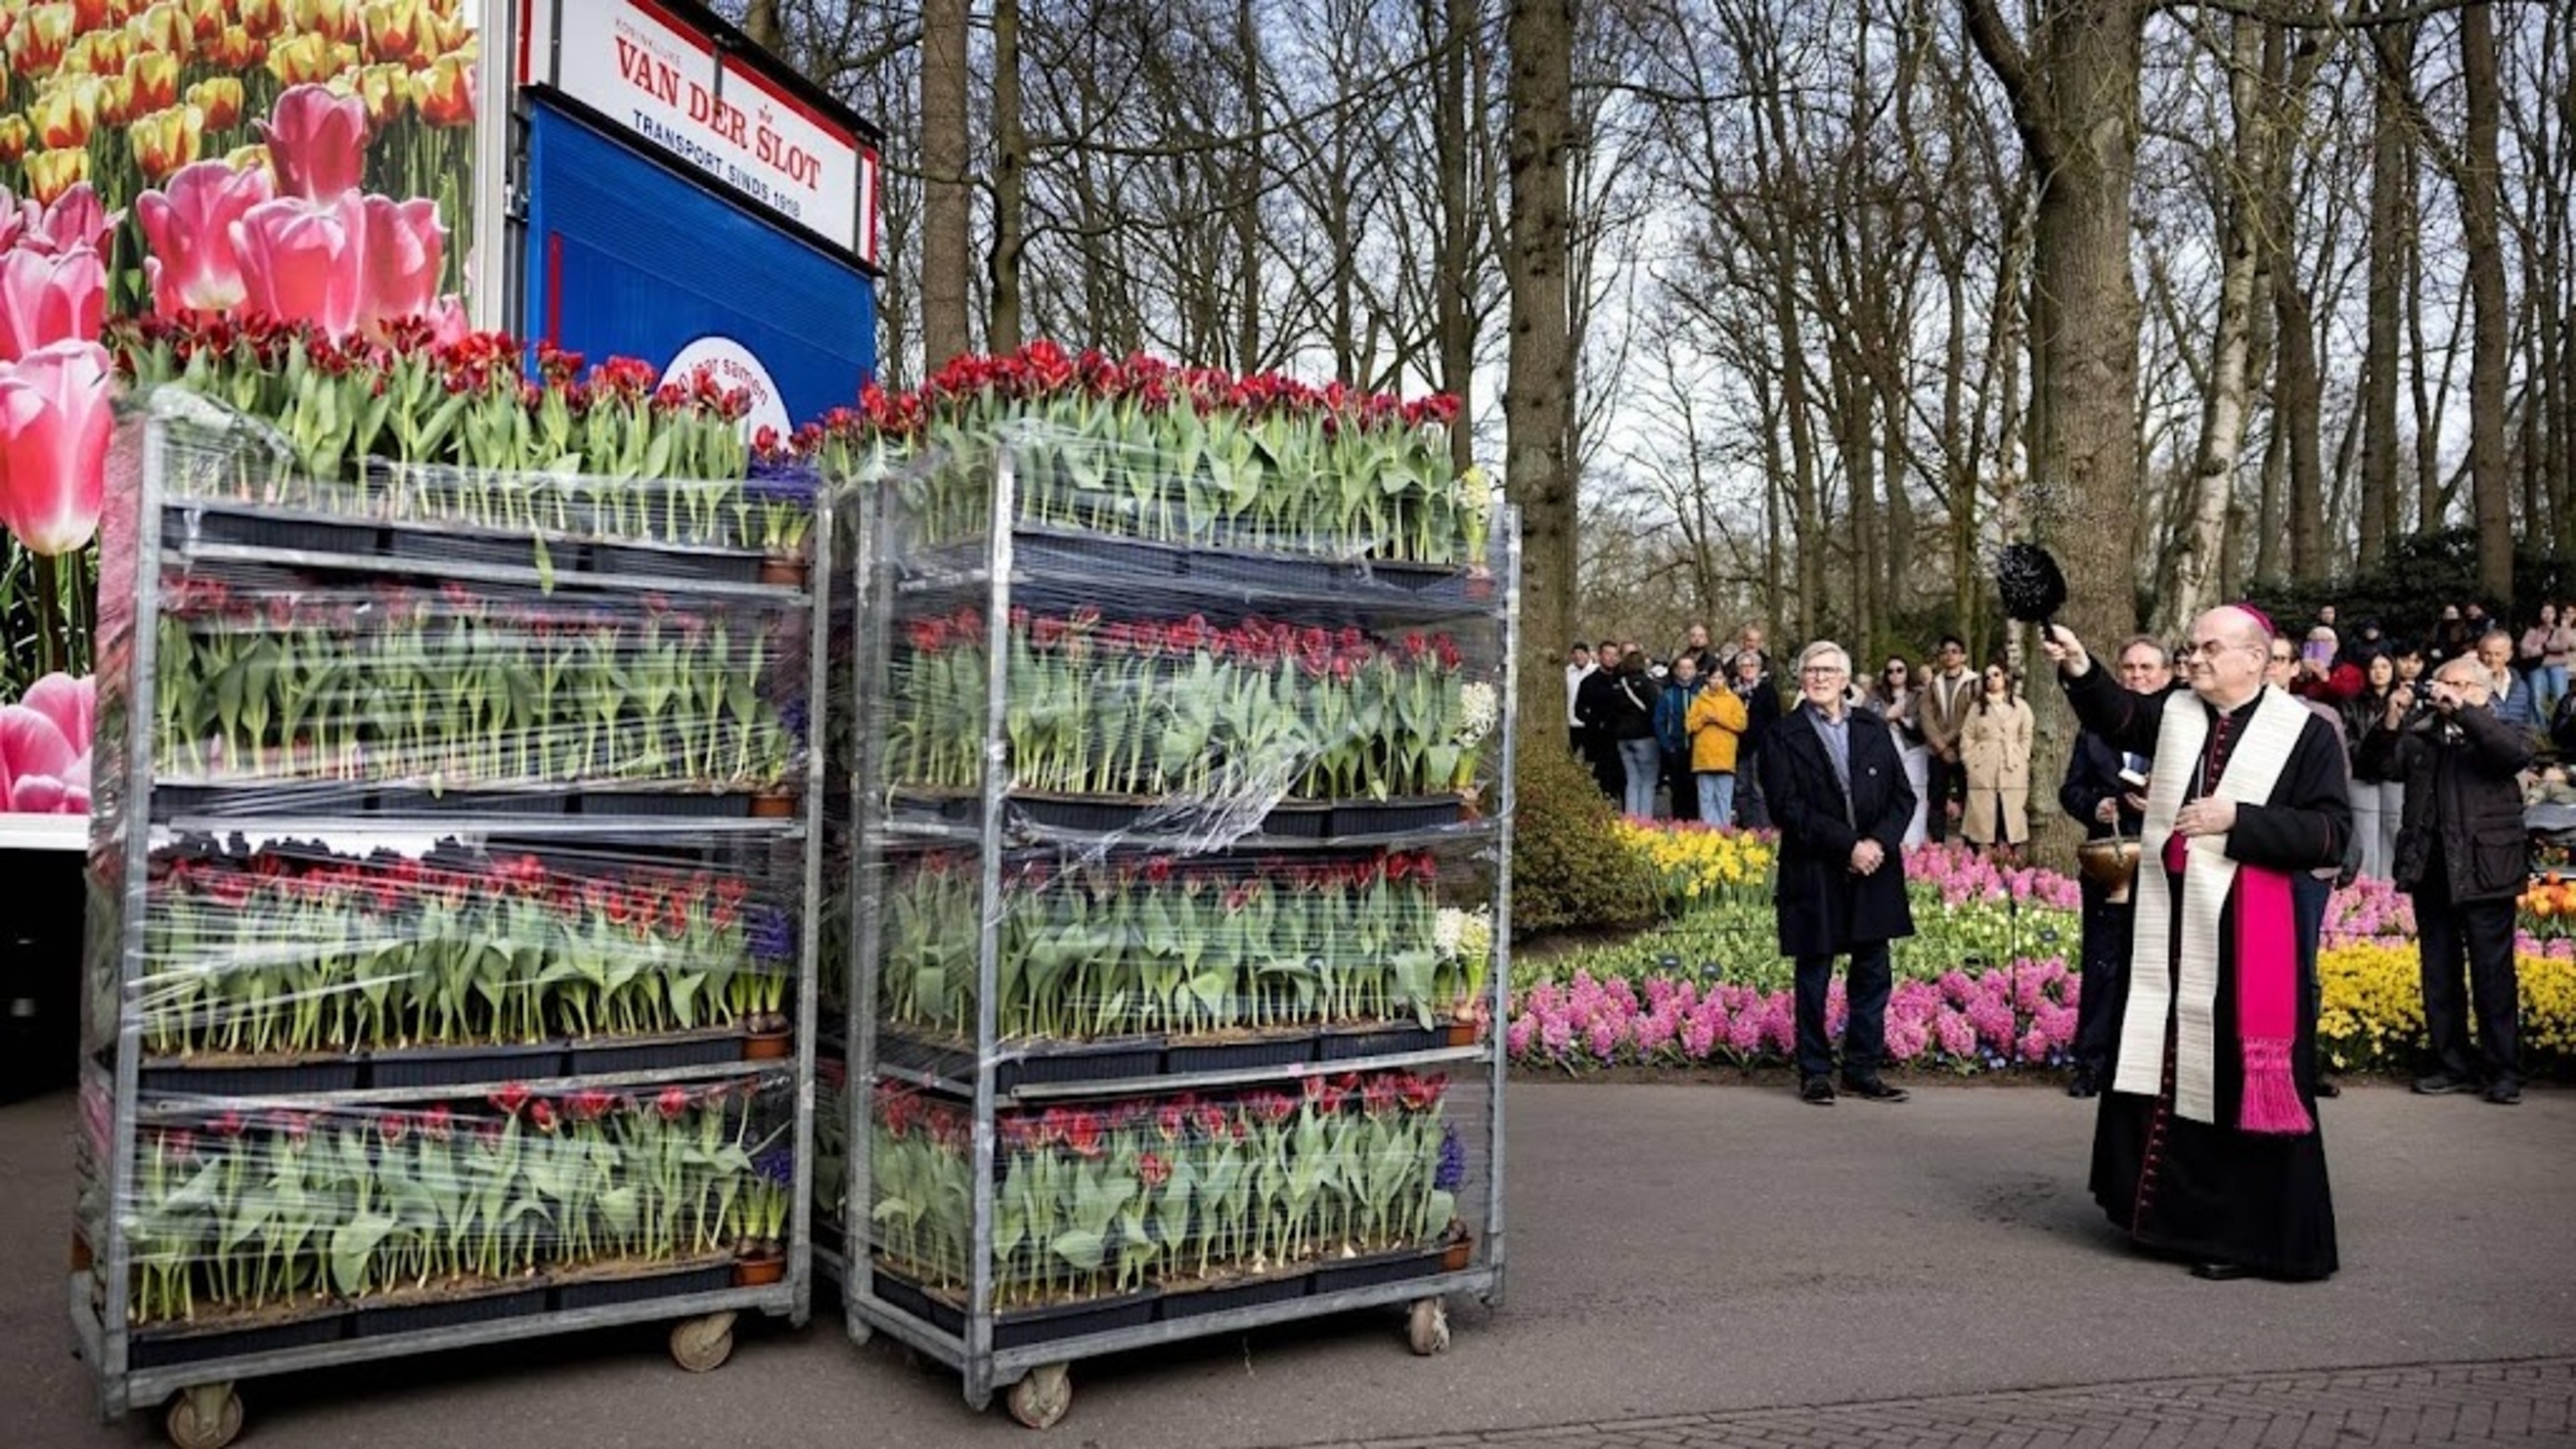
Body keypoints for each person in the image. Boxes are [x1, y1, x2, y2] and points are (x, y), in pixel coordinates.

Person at [2039, 605, 2348, 1283]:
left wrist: (2239, 819)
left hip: (2248, 935)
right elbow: (2121, 716)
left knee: (2229, 1076)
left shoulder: (2305, 733)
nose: (2195, 658)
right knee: (2165, 1065)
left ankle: (2244, 1238)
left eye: (2210, 648)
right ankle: (2167, 1221)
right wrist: (2080, 665)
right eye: (2192, 648)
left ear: (2255, 658)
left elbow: (2331, 835)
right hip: (2172, 924)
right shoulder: (2181, 712)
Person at [2358, 657, 2530, 1106]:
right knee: (2440, 974)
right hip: (2432, 870)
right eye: (2443, 684)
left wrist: (2465, 713)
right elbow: (2375, 765)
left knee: (2493, 975)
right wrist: (2391, 719)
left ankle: (2503, 1070)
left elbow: (2513, 756)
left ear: (2482, 691)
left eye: (2460, 685)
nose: (2447, 692)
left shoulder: (2500, 726)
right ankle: (2451, 1064)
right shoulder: (2422, 735)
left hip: (2486, 869)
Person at [1757, 640, 1916, 1106]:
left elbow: (1903, 797)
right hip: (1815, 866)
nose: (1820, 678)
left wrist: (1876, 845)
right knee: (1814, 975)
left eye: (1829, 671)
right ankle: (1815, 1072)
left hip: (1875, 867)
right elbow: (1786, 807)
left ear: (1845, 679)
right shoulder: (1782, 734)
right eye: (1812, 670)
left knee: (1873, 972)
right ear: (1801, 679)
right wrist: (1849, 846)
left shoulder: (1871, 726)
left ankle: (1862, 1070)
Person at [2059, 635, 2172, 1098]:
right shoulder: (2095, 729)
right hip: (2110, 863)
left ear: (2166, 675)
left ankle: (2149, 1066)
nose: (2137, 676)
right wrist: (2098, 806)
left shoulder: (2182, 728)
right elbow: (2071, 791)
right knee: (2103, 962)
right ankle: (2092, 1063)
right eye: (2129, 668)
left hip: (2166, 866)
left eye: (2147, 668)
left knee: (2157, 966)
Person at [2341, 651, 2409, 881]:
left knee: (2394, 830)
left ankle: (2392, 888)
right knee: (2364, 833)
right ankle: (2365, 887)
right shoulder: (2352, 703)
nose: (2379, 672)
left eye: (2385, 667)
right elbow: (2349, 741)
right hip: (2363, 773)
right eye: (2374, 667)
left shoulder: (2405, 701)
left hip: (2396, 775)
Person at [1960, 661, 2034, 865]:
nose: (1992, 680)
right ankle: (1984, 864)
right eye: (1988, 677)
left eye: (1996, 675)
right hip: (1983, 767)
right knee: (1983, 815)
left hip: (2013, 768)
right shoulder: (1977, 708)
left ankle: (2011, 862)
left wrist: (2022, 756)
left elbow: (2026, 734)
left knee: (2012, 813)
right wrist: (1970, 760)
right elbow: (1967, 736)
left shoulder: (2020, 706)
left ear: (2005, 677)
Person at [1918, 635, 1976, 843]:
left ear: (1963, 656)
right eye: (1945, 652)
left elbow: (1971, 717)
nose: (1949, 656)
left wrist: (1949, 741)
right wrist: (1942, 747)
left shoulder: (1974, 683)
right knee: (1937, 800)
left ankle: (1972, 847)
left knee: (1970, 798)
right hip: (1938, 752)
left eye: (1954, 651)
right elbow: (1926, 717)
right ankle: (1937, 847)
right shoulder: (1933, 685)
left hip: (1966, 750)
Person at [1868, 656, 1930, 847]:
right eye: (1890, 671)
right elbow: (1867, 721)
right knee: (1888, 794)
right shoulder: (1875, 696)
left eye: (1900, 670)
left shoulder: (1919, 695)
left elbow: (1924, 723)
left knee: (1916, 794)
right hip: (1886, 750)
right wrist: (1888, 717)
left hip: (1914, 749)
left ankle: (1914, 843)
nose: (1895, 675)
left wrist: (1901, 719)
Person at [1686, 656, 1750, 826]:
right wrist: (1703, 720)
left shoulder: (1734, 700)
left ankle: (1724, 831)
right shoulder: (1699, 700)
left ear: (1726, 680)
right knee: (1706, 798)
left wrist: (1719, 719)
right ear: (1707, 679)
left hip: (1725, 757)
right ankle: (1707, 831)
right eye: (1713, 677)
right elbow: (1689, 725)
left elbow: (1741, 724)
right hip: (1704, 758)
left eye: (1720, 678)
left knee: (1724, 798)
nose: (1716, 681)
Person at [1601, 647, 1664, 819]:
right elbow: (1655, 709)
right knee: (1648, 781)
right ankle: (1645, 820)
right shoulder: (1648, 684)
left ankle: (1631, 819)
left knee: (1632, 780)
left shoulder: (1619, 685)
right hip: (1645, 736)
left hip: (1622, 738)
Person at [1726, 650, 1779, 830]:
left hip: (1760, 745)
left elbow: (1774, 719)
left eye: (1752, 666)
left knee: (1758, 788)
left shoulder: (1766, 690)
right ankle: (1747, 826)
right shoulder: (1732, 692)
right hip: (1738, 745)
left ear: (1759, 668)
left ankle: (1763, 828)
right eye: (1743, 666)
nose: (1748, 669)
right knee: (1741, 787)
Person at [1654, 653, 1704, 822]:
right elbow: (1659, 722)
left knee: (1694, 788)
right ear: (1676, 671)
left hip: (1698, 748)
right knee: (1677, 788)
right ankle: (1679, 822)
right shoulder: (1667, 695)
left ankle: (1694, 823)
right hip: (1676, 747)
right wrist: (1667, 745)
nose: (1685, 672)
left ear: (1695, 671)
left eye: (1689, 668)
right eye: (1682, 668)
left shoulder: (1701, 694)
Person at [1574, 637, 1626, 800]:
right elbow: (1579, 710)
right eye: (1608, 654)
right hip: (1598, 740)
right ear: (1600, 655)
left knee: (1623, 782)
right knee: (1602, 782)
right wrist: (1594, 721)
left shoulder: (1623, 680)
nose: (1611, 658)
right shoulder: (1589, 682)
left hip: (1621, 738)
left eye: (1615, 655)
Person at [2474, 630, 2538, 731]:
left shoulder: (2521, 687)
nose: (2492, 660)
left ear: (2509, 656)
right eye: (2487, 654)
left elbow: (2528, 721)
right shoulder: (2472, 687)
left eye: (2498, 654)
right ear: (2479, 656)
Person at [1564, 642, 1596, 761]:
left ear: (1588, 655)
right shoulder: (1567, 672)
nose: (1578, 657)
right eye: (1575, 654)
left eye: (1582, 654)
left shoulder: (1595, 671)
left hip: (1590, 723)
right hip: (1571, 722)